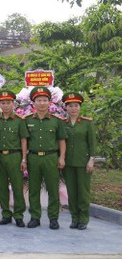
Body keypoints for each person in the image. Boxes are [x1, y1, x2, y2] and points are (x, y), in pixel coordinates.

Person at [24, 86, 67, 230]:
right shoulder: (27, 120)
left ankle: (53, 218)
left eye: (44, 100)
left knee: (53, 189)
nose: (41, 103)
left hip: (51, 158)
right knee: (34, 188)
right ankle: (35, 217)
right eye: (38, 100)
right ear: (33, 103)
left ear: (50, 102)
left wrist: (62, 157)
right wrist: (24, 159)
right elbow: (24, 141)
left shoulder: (57, 121)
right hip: (34, 158)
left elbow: (61, 140)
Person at [0, 89, 28, 227]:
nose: (6, 105)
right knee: (1, 187)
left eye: (8, 102)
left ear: (13, 103)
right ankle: (6, 214)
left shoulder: (19, 121)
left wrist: (24, 159)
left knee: (17, 187)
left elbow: (24, 140)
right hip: (0, 157)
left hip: (15, 156)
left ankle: (19, 215)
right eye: (3, 103)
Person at [63, 92, 95, 230]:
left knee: (83, 191)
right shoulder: (63, 123)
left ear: (80, 107)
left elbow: (92, 143)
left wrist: (91, 160)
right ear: (66, 108)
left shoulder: (87, 123)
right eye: (70, 106)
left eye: (76, 105)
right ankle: (74, 218)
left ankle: (83, 219)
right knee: (71, 191)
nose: (73, 108)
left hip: (83, 163)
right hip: (68, 163)